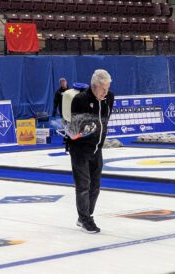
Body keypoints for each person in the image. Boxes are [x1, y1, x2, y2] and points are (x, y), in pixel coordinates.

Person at [68, 69, 114, 234]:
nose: (106, 92)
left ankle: (85, 216)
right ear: (94, 86)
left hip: (97, 148)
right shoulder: (80, 99)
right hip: (80, 149)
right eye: (103, 89)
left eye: (107, 88)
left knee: (95, 187)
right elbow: (74, 127)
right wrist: (85, 128)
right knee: (83, 185)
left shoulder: (110, 97)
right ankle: (86, 219)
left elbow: (105, 120)